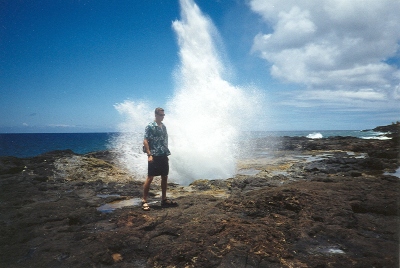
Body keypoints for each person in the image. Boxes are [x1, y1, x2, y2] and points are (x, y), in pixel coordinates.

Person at [142, 107, 177, 211]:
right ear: (156, 115)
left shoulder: (163, 126)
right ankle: (144, 200)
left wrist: (166, 153)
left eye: (163, 115)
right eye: (161, 115)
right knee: (150, 177)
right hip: (154, 155)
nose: (163, 117)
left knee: (164, 176)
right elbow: (145, 141)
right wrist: (149, 155)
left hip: (163, 154)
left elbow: (164, 141)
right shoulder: (150, 126)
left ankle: (164, 199)